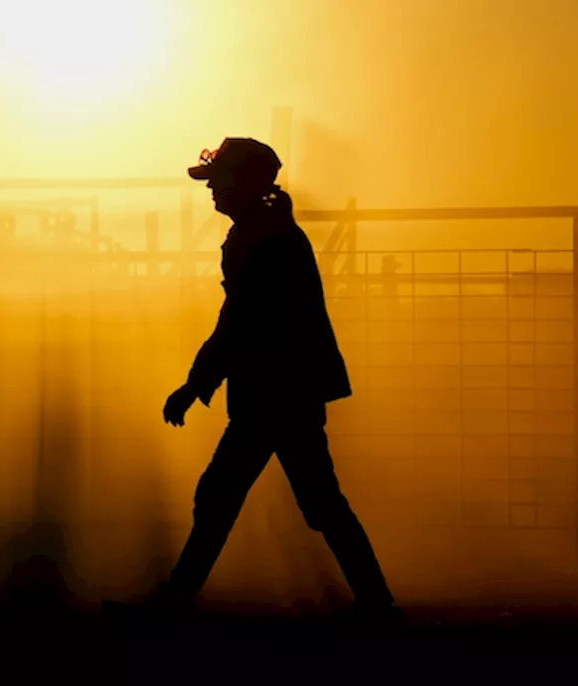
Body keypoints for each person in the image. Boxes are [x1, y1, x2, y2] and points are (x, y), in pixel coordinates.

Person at [151, 137, 396, 618]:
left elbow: (239, 319)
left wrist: (195, 385)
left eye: (219, 181)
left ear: (242, 184)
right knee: (317, 502)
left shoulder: (259, 238)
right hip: (290, 387)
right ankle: (377, 602)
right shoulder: (271, 232)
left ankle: (174, 604)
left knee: (225, 494)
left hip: (271, 391)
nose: (212, 191)